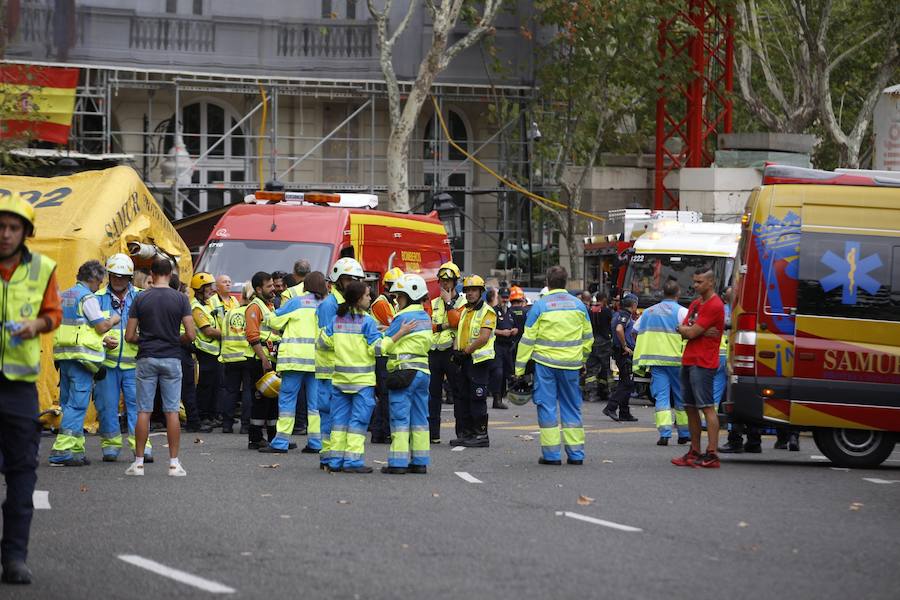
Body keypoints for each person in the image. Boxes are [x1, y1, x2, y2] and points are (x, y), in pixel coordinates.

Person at [0, 195, 61, 584]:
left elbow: (53, 314)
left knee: (22, 473)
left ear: (25, 233)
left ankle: (14, 558)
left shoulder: (42, 268)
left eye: (12, 228)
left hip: (19, 389)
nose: (4, 234)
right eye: (0, 227)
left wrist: (35, 327)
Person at [319, 280, 416, 473]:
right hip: (361, 382)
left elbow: (322, 342)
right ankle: (353, 462)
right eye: (367, 295)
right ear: (357, 299)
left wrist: (344, 346)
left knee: (339, 422)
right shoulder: (367, 321)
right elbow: (377, 349)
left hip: (340, 380)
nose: (370, 297)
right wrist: (398, 334)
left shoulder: (337, 319)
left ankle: (335, 461)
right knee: (358, 423)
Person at [124, 257, 195, 477]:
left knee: (143, 411)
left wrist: (145, 340)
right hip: (172, 358)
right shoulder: (181, 299)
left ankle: (138, 464)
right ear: (171, 274)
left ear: (152, 275)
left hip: (146, 357)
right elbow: (191, 334)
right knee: (171, 411)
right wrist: (174, 340)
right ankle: (174, 463)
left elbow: (129, 335)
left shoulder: (140, 298)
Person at [514, 266, 592, 465]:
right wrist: (582, 360)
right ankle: (576, 455)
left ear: (547, 283)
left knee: (547, 406)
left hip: (545, 365)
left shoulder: (540, 306)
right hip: (571, 365)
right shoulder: (579, 306)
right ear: (565, 282)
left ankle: (551, 455)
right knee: (572, 407)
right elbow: (588, 338)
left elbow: (527, 339)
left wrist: (519, 369)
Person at [49, 260, 119, 466]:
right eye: (100, 282)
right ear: (94, 279)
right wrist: (114, 320)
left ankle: (76, 450)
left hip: (64, 357)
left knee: (68, 402)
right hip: (81, 359)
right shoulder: (87, 297)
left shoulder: (63, 295)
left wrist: (101, 339)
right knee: (77, 406)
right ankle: (61, 451)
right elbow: (100, 326)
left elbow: (78, 327)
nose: (100, 286)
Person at [94, 254, 154, 463]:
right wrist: (102, 340)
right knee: (107, 406)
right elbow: (88, 329)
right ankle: (110, 446)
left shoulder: (142, 297)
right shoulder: (97, 297)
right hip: (106, 363)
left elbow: (151, 326)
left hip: (135, 363)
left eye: (123, 276)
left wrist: (140, 339)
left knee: (138, 408)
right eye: (114, 276)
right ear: (108, 275)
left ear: (129, 277)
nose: (118, 280)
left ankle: (142, 447)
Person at [261, 271, 328, 453]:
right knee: (315, 405)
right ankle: (316, 443)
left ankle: (281, 442)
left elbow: (273, 321)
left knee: (287, 402)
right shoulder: (326, 305)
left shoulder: (296, 301)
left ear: (305, 285)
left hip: (294, 361)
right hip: (318, 362)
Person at [671, 268, 725, 469]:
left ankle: (712, 453)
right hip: (689, 360)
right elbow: (684, 330)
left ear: (710, 282)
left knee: (707, 407)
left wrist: (691, 331)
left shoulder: (714, 305)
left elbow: (691, 332)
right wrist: (691, 330)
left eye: (699, 282)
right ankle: (695, 451)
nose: (695, 286)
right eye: (694, 282)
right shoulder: (695, 304)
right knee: (690, 407)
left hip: (704, 362)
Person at [379, 274, 433, 474]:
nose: (396, 300)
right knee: (420, 418)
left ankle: (398, 463)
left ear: (409, 296)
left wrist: (387, 334)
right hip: (422, 373)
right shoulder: (425, 317)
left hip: (403, 372)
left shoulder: (402, 317)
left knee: (400, 419)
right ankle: (420, 461)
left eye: (399, 296)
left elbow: (386, 342)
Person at [316, 257, 365, 469]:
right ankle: (328, 456)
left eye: (356, 280)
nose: (354, 284)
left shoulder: (345, 304)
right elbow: (327, 338)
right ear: (338, 281)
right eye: (349, 280)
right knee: (329, 415)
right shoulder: (330, 305)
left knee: (338, 416)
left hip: (340, 369)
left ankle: (333, 456)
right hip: (329, 369)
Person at [632, 281, 690, 446]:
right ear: (678, 293)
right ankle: (684, 433)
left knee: (661, 397)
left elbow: (635, 331)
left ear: (662, 293)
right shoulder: (682, 312)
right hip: (678, 361)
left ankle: (664, 434)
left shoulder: (649, 311)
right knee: (680, 397)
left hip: (657, 361)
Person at [449, 274, 496, 448]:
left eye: (474, 290)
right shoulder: (465, 312)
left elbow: (483, 338)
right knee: (463, 397)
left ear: (481, 292)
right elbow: (459, 334)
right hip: (464, 360)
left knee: (477, 398)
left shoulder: (488, 312)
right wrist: (455, 351)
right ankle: (467, 433)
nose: (470, 294)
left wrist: (466, 352)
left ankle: (481, 434)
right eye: (467, 290)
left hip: (478, 361)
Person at [428, 261, 465, 443]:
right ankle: (433, 434)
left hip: (452, 352)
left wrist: (449, 303)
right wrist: (443, 324)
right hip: (434, 353)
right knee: (433, 395)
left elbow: (457, 322)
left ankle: (461, 433)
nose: (445, 284)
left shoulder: (463, 302)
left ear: (455, 282)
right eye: (442, 280)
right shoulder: (433, 302)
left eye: (448, 281)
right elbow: (429, 326)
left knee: (458, 393)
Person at [244, 271, 281, 449]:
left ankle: (274, 438)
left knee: (273, 399)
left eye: (273, 285)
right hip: (260, 360)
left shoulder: (269, 306)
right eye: (269, 286)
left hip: (271, 359)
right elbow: (252, 336)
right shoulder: (255, 307)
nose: (273, 289)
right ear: (258, 289)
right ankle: (255, 438)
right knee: (261, 399)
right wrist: (264, 359)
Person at [370, 267, 403, 444]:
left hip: (386, 351)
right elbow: (396, 325)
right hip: (380, 352)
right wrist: (391, 328)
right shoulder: (382, 303)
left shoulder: (392, 303)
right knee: (384, 394)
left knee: (385, 394)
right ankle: (381, 431)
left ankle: (380, 431)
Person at [219, 283, 254, 434]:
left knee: (230, 391)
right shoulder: (253, 312)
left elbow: (223, 334)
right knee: (247, 391)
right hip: (248, 356)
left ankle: (227, 425)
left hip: (230, 358)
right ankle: (245, 426)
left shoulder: (230, 313)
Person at [190, 272, 221, 432]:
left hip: (214, 352)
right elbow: (208, 331)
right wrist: (228, 335)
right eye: (208, 287)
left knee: (214, 385)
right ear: (199, 289)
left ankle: (210, 416)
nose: (212, 290)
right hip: (205, 352)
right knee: (205, 387)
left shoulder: (208, 304)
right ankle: (202, 416)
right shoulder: (196, 307)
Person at [604, 294, 639, 422]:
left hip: (618, 351)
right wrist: (625, 346)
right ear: (634, 305)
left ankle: (624, 412)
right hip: (623, 353)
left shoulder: (617, 314)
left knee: (625, 381)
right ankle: (611, 407)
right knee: (627, 383)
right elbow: (619, 330)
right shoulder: (625, 316)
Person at [584, 291, 612, 403]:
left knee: (591, 370)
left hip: (592, 341)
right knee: (607, 369)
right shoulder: (606, 311)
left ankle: (591, 393)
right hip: (604, 342)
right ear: (604, 299)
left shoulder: (590, 311)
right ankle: (609, 392)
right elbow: (611, 325)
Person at [489, 288, 513, 410]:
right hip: (497, 345)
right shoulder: (493, 311)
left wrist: (514, 331)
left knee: (506, 373)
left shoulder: (510, 311)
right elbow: (489, 328)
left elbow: (516, 326)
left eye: (506, 297)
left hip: (508, 346)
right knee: (498, 372)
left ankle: (502, 396)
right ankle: (496, 398)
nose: (505, 300)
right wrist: (502, 333)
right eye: (502, 297)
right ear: (498, 298)